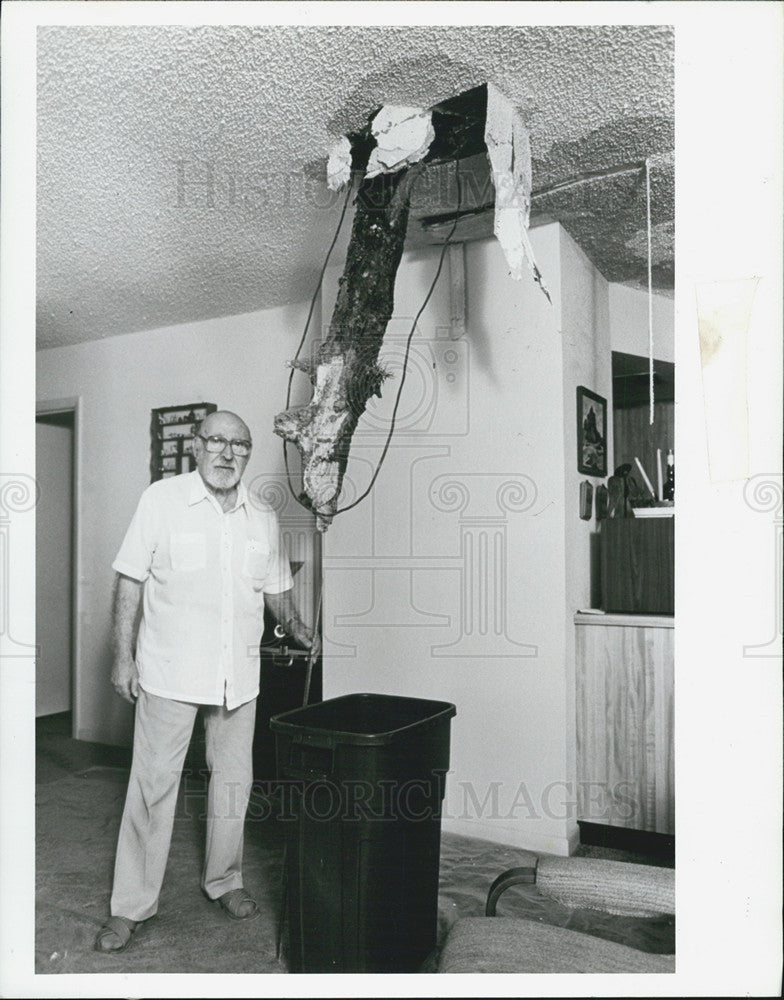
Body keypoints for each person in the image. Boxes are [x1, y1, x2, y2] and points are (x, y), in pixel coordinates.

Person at [94, 410, 317, 953]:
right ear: (197, 446)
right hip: (170, 672)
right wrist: (122, 658)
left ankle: (225, 881)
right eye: (216, 440)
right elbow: (129, 582)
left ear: (247, 453)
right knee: (152, 788)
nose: (226, 453)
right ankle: (131, 906)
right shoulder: (161, 501)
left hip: (237, 678)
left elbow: (275, 589)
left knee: (234, 784)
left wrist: (304, 629)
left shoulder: (261, 514)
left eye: (238, 445)